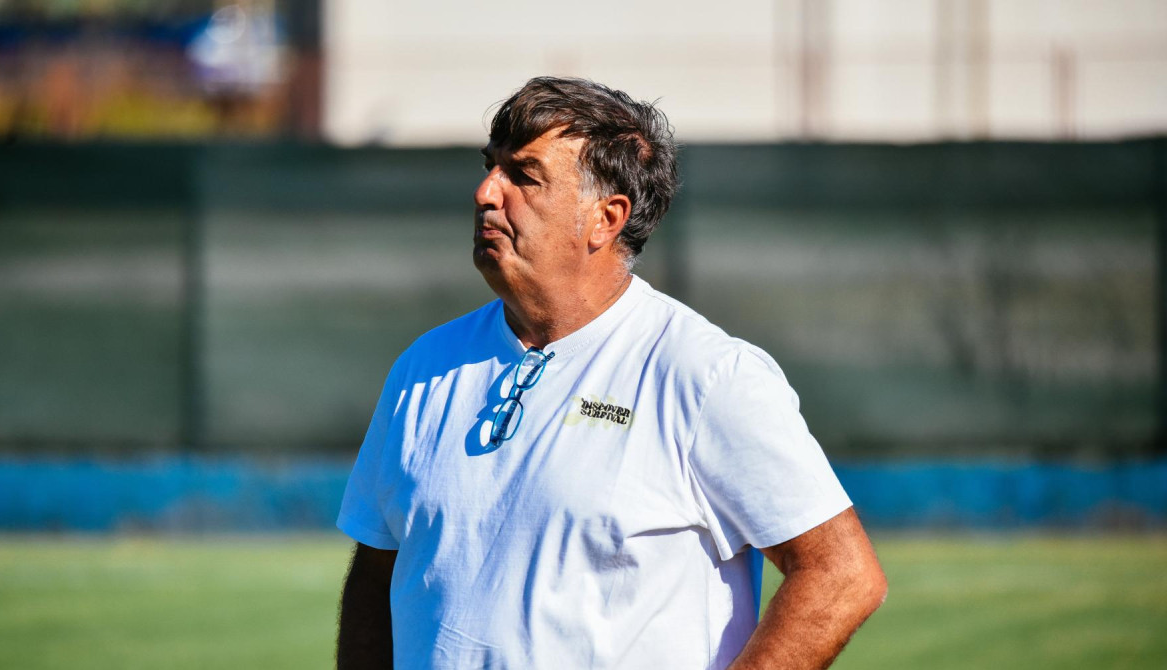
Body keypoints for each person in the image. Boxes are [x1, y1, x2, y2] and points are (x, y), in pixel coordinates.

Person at [336, 76, 887, 670]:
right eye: (491, 167)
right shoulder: (423, 367)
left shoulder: (705, 375)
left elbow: (841, 575)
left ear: (605, 218)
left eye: (524, 175)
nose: (487, 192)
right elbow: (376, 576)